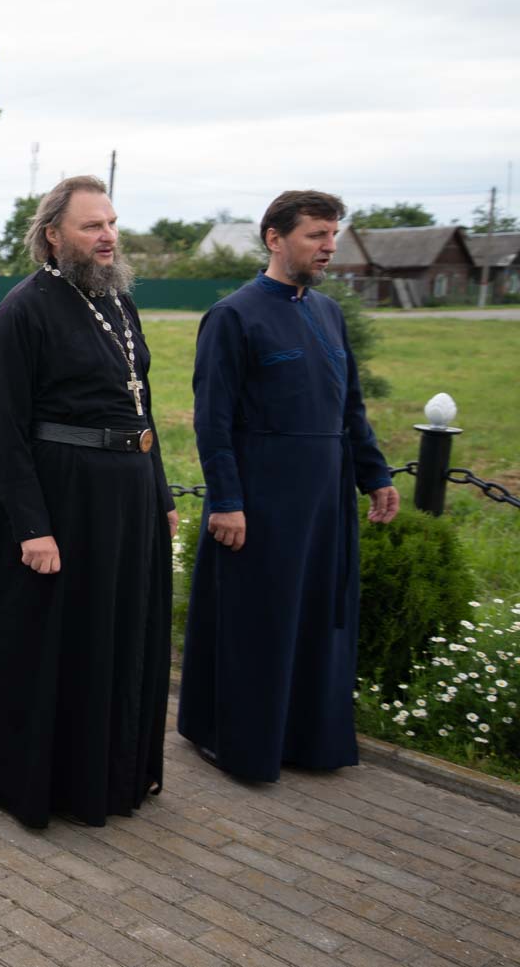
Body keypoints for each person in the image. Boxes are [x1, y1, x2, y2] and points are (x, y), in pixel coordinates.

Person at [0, 175, 178, 829]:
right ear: (53, 236)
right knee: (53, 647)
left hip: (126, 501)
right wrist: (32, 527)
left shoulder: (119, 301)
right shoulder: (22, 311)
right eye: (93, 225)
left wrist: (160, 493)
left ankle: (110, 770)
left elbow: (140, 405)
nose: (108, 235)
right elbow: (2, 431)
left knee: (114, 639)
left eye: (112, 223)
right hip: (62, 501)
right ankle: (46, 781)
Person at [178, 190, 399, 782]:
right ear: (274, 239)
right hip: (261, 498)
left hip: (325, 499)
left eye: (333, 235)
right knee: (258, 621)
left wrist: (374, 474)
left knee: (318, 618)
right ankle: (235, 741)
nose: (330, 247)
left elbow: (350, 407)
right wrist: (227, 501)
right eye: (316, 235)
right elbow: (212, 420)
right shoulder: (233, 316)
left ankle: (306, 739)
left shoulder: (329, 313)